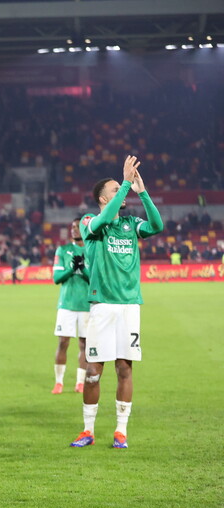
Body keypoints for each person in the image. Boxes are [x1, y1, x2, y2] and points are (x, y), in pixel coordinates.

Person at [70, 156, 163, 450]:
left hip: (129, 306)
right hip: (102, 306)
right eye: (115, 190)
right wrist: (125, 182)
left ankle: (121, 431)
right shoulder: (89, 222)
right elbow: (104, 218)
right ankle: (88, 430)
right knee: (93, 373)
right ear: (102, 198)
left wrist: (142, 192)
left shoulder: (130, 224)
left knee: (124, 368)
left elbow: (157, 225)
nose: (121, 192)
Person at [51, 218, 89, 394]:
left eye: (78, 227)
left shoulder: (92, 249)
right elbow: (57, 278)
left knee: (84, 344)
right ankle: (59, 382)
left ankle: (80, 382)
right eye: (72, 227)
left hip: (86, 304)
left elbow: (95, 279)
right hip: (66, 303)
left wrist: (83, 269)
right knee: (63, 342)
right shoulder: (63, 250)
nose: (74, 229)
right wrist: (72, 269)